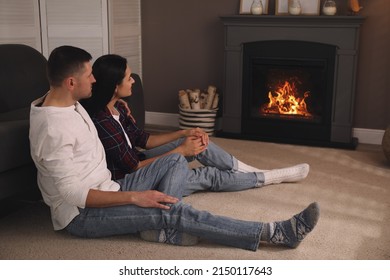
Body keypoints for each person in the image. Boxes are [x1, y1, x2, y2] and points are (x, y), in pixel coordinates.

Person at [29, 45, 320, 251]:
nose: (93, 79)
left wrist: (118, 103)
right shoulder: (54, 128)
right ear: (70, 82)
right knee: (175, 210)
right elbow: (72, 194)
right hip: (82, 215)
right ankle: (276, 233)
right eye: (88, 75)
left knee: (175, 163)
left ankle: (160, 229)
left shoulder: (68, 102)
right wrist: (137, 198)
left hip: (111, 186)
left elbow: (110, 121)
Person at [81, 54, 311, 198]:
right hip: (130, 180)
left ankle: (254, 171)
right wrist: (180, 152)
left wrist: (184, 133)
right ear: (114, 85)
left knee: (196, 141)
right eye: (129, 78)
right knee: (208, 176)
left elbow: (144, 140)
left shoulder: (117, 108)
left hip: (140, 160)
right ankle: (271, 177)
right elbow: (132, 168)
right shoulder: (101, 121)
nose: (133, 81)